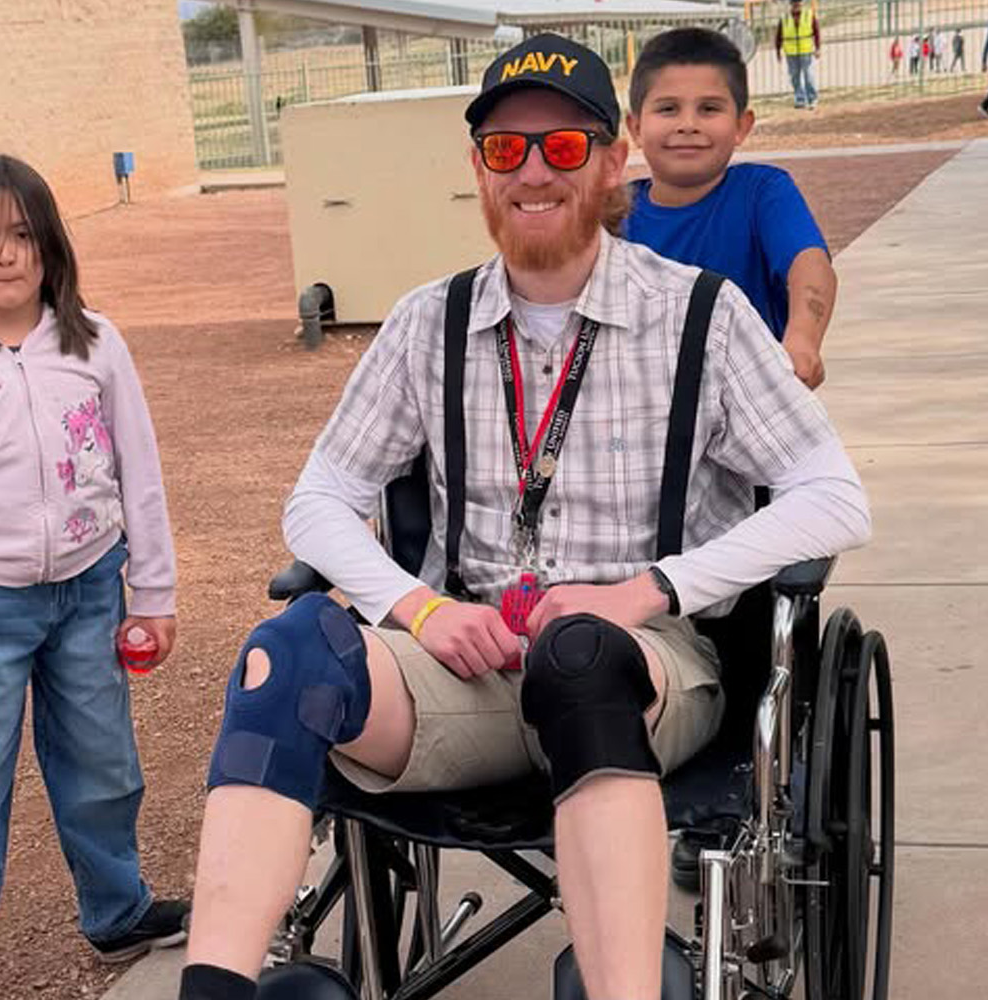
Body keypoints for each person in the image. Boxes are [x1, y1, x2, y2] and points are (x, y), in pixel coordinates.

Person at [173, 33, 871, 1000]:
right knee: (283, 658)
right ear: (479, 170)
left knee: (581, 657)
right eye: (506, 148)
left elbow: (833, 495)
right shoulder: (428, 322)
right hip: (470, 662)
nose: (533, 171)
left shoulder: (701, 317)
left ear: (612, 161)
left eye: (563, 146)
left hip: (645, 669)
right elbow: (319, 498)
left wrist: (644, 591)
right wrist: (417, 608)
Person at [0, 154, 190, 1000]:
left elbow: (140, 471)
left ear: (51, 243)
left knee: (103, 763)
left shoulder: (95, 341)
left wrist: (152, 594)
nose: (5, 255)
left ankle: (118, 910)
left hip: (91, 591)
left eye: (22, 234)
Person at [622, 28, 837, 389]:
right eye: (668, 108)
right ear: (636, 127)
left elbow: (810, 265)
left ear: (741, 126)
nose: (688, 125)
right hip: (643, 408)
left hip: (749, 404)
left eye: (709, 109)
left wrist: (802, 340)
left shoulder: (761, 193)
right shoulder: (612, 213)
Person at [776, 0, 822, 108]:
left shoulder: (809, 15)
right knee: (794, 77)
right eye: (794, 3)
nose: (796, 5)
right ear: (791, 4)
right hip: (791, 52)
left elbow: (816, 32)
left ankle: (812, 98)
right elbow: (778, 36)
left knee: (808, 75)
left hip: (806, 51)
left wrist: (818, 48)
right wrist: (778, 51)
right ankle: (800, 99)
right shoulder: (784, 18)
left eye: (798, 2)